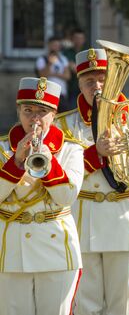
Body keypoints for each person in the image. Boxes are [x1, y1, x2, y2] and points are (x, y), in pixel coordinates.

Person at [54, 48, 129, 315]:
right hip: (83, 218)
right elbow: (60, 175)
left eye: (103, 78)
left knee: (122, 306)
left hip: (126, 217)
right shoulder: (63, 125)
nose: (98, 86)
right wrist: (95, 154)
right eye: (90, 81)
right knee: (85, 305)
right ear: (78, 83)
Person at [0, 77, 84, 315]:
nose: (35, 119)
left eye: (42, 112)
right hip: (11, 252)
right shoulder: (2, 148)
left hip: (57, 249)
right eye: (28, 111)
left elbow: (67, 197)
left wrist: (48, 161)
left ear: (54, 115)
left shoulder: (71, 149)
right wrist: (16, 162)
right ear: (18, 112)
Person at [36, 36, 71, 113]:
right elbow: (42, 76)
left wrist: (54, 74)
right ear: (49, 45)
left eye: (57, 46)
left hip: (61, 93)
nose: (55, 48)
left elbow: (67, 76)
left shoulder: (63, 59)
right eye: (53, 45)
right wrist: (49, 63)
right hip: (47, 93)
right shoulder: (42, 59)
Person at [62, 28, 86, 110]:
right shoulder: (66, 52)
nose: (78, 40)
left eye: (80, 38)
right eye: (76, 38)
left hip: (85, 87)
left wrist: (75, 67)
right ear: (72, 39)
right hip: (71, 88)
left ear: (84, 39)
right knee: (72, 111)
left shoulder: (88, 53)